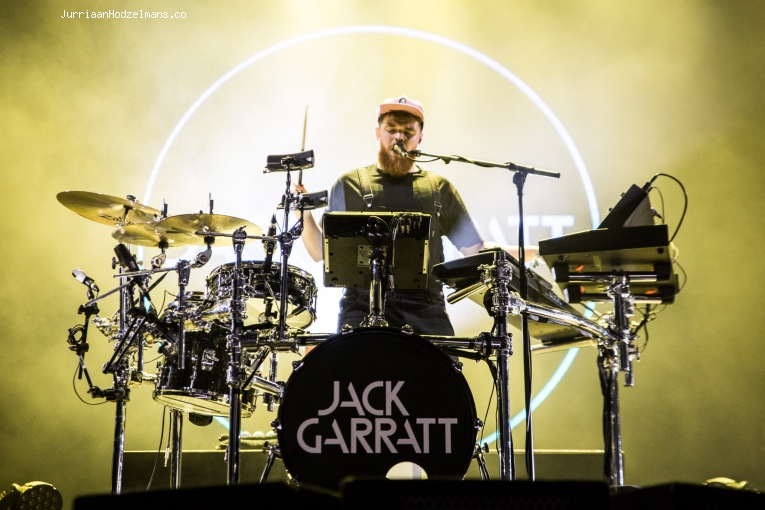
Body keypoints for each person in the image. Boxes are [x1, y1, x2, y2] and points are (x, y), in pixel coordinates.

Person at [296, 95, 514, 336]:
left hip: (425, 310)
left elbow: (474, 251)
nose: (399, 136)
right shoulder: (350, 184)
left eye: (408, 131)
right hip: (360, 310)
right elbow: (319, 252)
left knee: (439, 373)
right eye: (391, 129)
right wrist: (304, 215)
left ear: (420, 138)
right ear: (377, 133)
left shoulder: (438, 188)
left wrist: (530, 253)